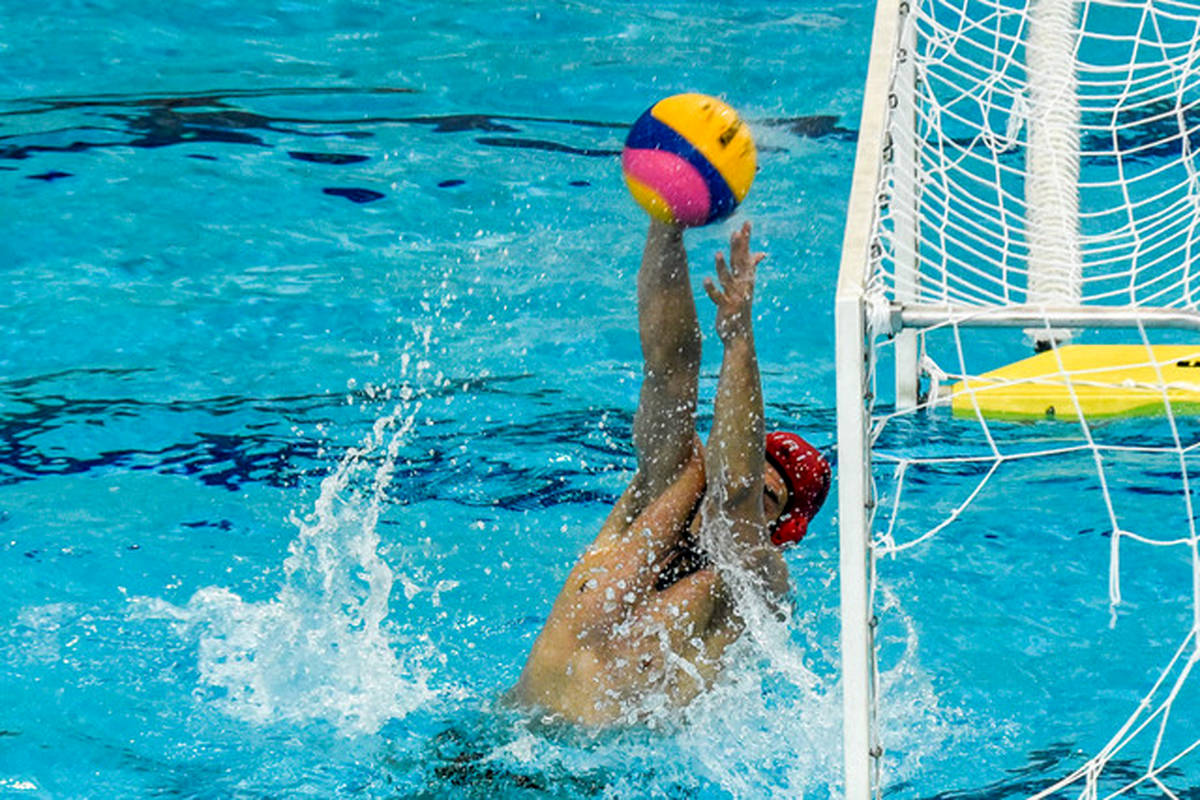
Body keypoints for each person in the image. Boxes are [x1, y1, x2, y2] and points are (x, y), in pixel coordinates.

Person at [513, 220, 830, 725]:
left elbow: (737, 493)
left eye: (768, 498)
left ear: (782, 527)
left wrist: (738, 337)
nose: (728, 479)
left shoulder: (753, 582)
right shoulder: (666, 494)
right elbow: (668, 372)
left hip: (599, 768)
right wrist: (666, 224)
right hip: (490, 743)